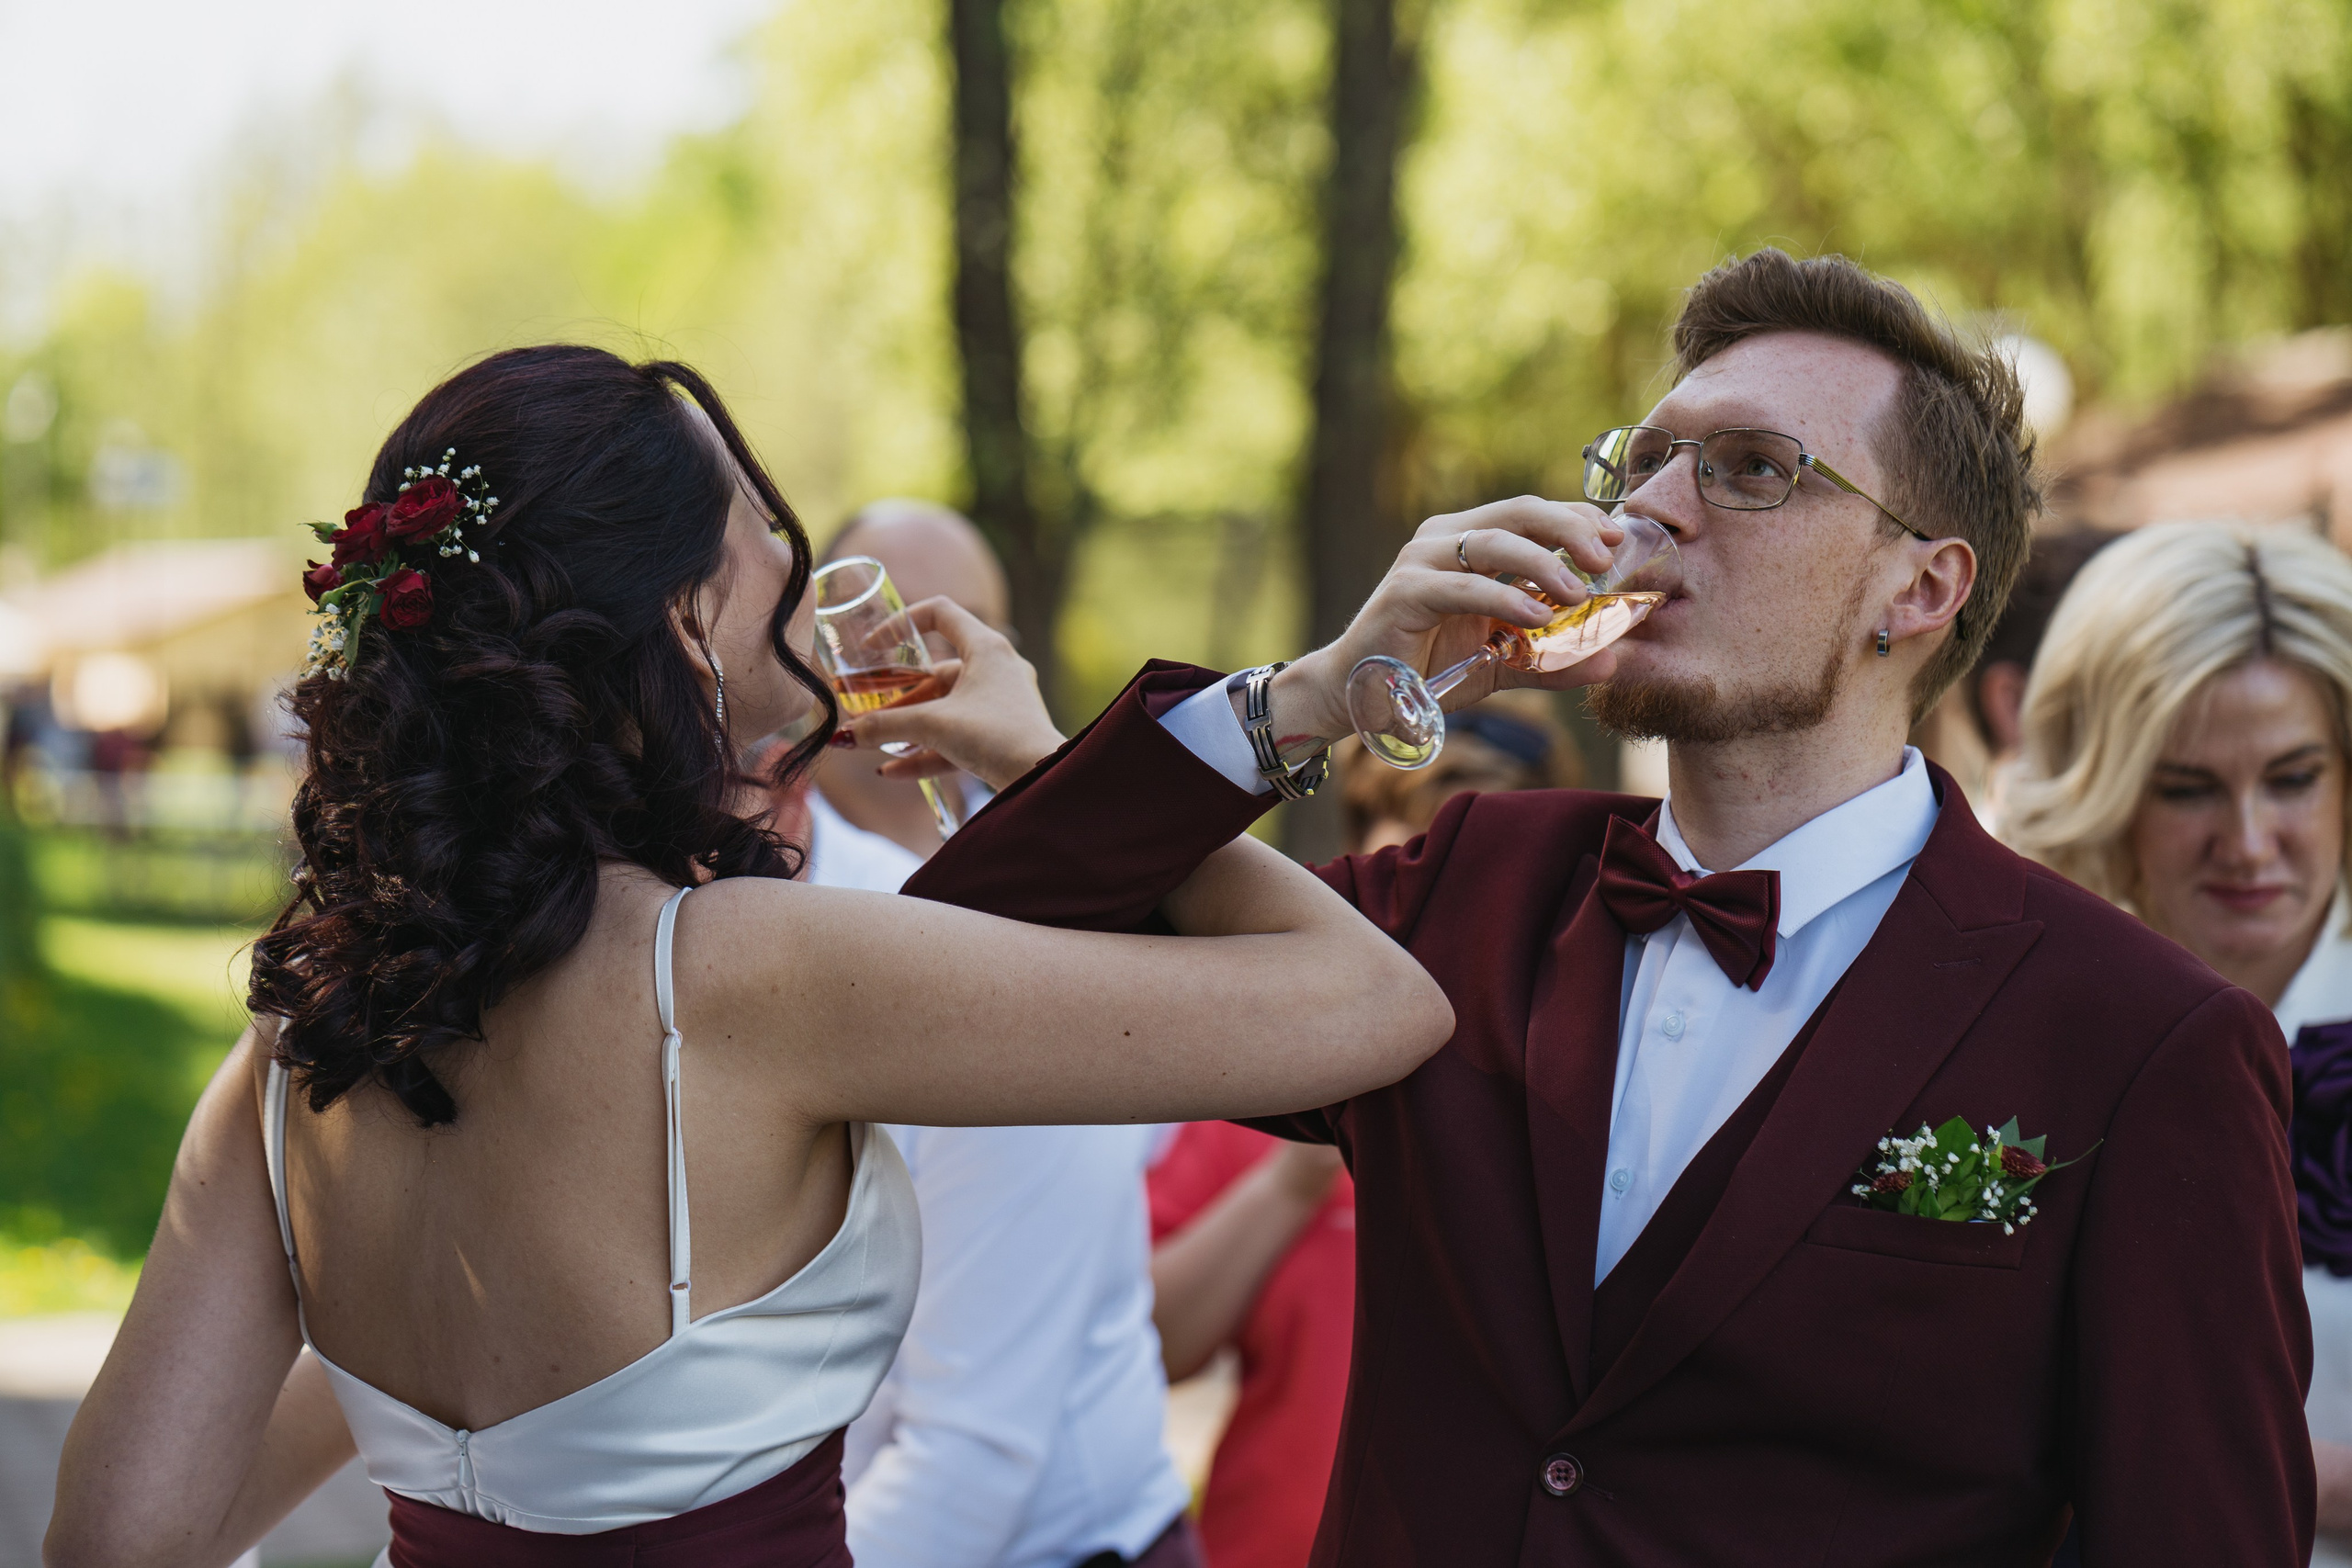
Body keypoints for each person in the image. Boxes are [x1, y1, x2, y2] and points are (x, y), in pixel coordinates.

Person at [866, 249, 2314, 1564]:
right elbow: (986, 956)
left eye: (1753, 469)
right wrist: (1314, 694)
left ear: (1922, 588)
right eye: (1646, 461)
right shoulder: (1465, 888)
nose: (1653, 509)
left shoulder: (2143, 1038)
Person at [40, 345, 1454, 1568]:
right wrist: (1048, 753)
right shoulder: (747, 975)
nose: (803, 558)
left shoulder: (309, 1029)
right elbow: (1374, 1001)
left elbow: (118, 1535)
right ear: (688, 623)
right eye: (764, 517)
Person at [797, 500, 1197, 1568]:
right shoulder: (768, 904)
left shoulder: (1047, 924)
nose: (920, 660)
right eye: (882, 625)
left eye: (962, 624)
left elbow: (973, 1459)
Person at [1147, 695, 1582, 1568]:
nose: (1398, 861)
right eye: (1393, 832)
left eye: (1471, 857)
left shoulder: (1586, 1079)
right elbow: (1154, 1344)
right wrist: (1289, 1184)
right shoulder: (1270, 1079)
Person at [1997, 519, 2352, 1563]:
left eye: (2292, 778)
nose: (2247, 843)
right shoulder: (2008, 1028)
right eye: (2187, 788)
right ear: (2101, 788)